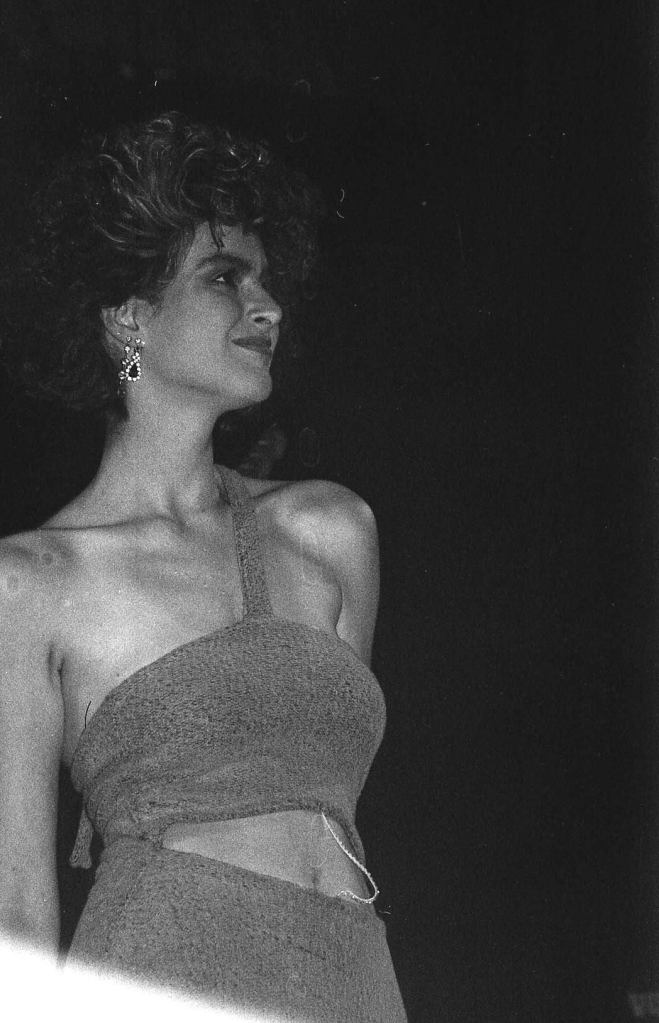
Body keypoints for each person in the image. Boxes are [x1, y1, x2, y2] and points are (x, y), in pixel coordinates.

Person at [0, 111, 407, 1022]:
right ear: (128, 318)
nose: (268, 306)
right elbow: (15, 923)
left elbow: (320, 794)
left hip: (350, 977)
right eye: (225, 276)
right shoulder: (28, 584)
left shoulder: (329, 531)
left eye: (264, 278)